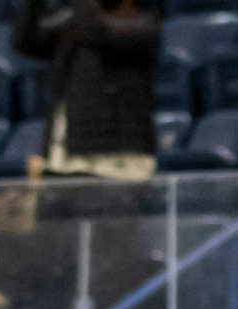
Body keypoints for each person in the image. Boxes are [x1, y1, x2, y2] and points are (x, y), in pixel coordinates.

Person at [13, 0, 162, 182]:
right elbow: (25, 41)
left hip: (118, 157)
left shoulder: (142, 22)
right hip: (64, 154)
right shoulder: (73, 22)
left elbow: (94, 31)